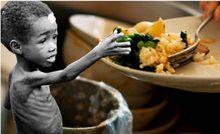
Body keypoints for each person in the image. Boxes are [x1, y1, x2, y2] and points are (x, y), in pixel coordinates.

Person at [1, 1, 130, 134]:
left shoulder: (15, 75)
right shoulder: (26, 79)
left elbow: (7, 104)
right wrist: (98, 52)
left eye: (54, 37)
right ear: (17, 47)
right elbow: (66, 75)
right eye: (43, 40)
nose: (53, 47)